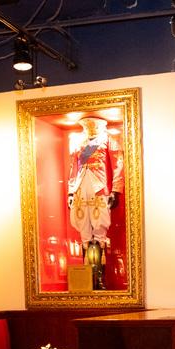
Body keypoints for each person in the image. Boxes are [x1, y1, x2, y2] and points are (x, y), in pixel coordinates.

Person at [67, 117, 124, 290]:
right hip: (80, 187)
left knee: (99, 233)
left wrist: (116, 190)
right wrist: (71, 191)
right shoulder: (78, 141)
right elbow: (73, 167)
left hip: (99, 187)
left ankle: (100, 278)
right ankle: (86, 280)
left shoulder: (108, 139)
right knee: (84, 234)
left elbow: (118, 164)